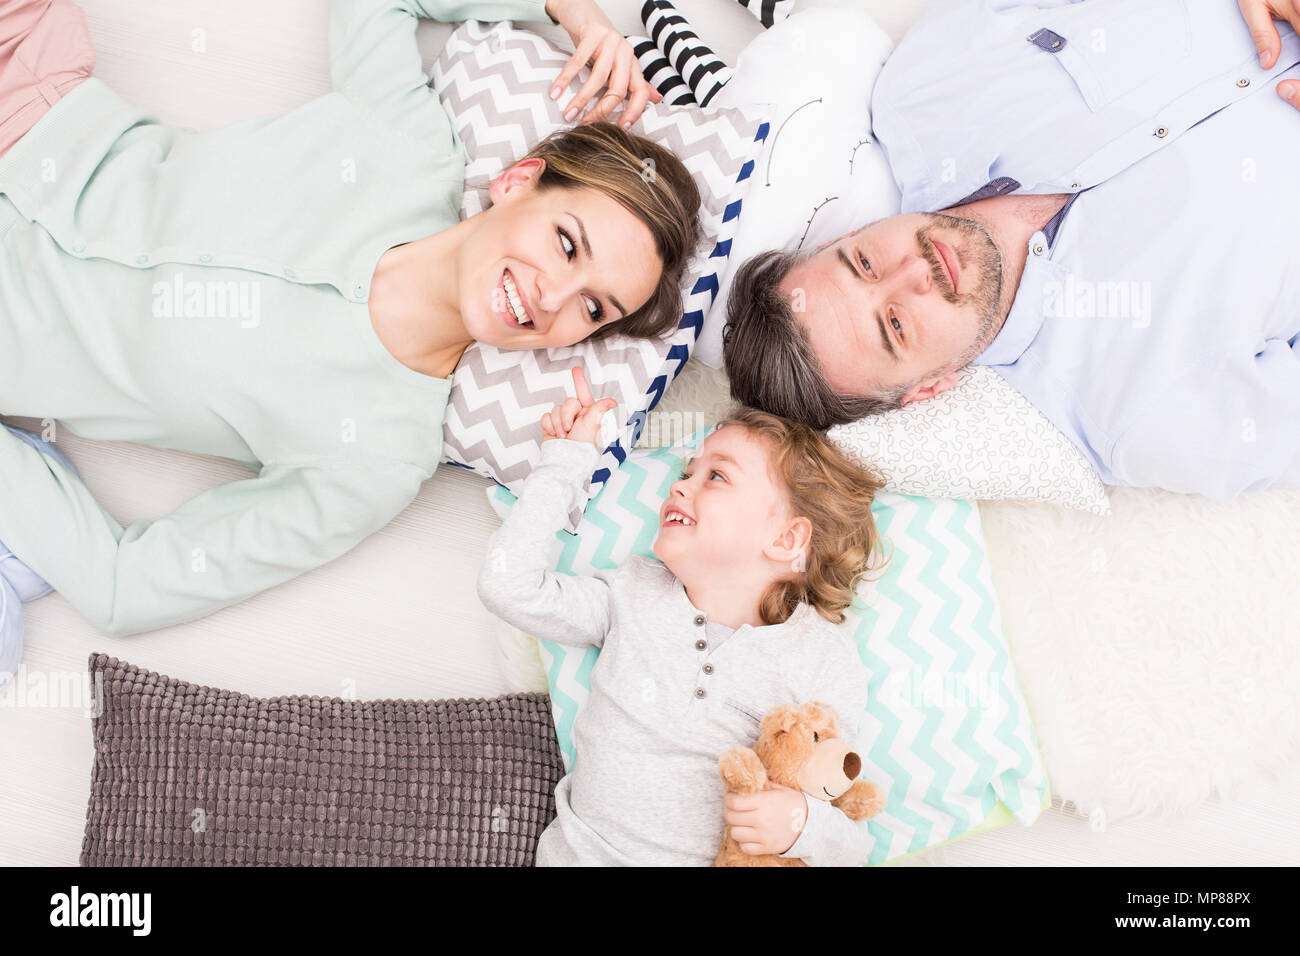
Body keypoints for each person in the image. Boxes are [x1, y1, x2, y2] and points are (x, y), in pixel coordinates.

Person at [0, 0, 703, 682]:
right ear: (517, 183)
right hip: (30, 91)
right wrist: (564, 8)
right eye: (566, 242)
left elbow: (132, 587)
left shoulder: (378, 459)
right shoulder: (411, 144)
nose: (552, 296)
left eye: (592, 307)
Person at [723, 0, 1300, 500]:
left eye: (864, 263)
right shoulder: (1147, 418)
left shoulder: (927, 88)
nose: (913, 272)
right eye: (896, 325)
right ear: (928, 391)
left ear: (836, 239)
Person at [477, 367, 889, 865]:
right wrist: (565, 462)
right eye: (685, 472)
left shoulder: (819, 659)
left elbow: (851, 833)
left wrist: (798, 823)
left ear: (785, 540)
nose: (681, 487)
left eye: (716, 476)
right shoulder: (632, 594)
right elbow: (508, 585)